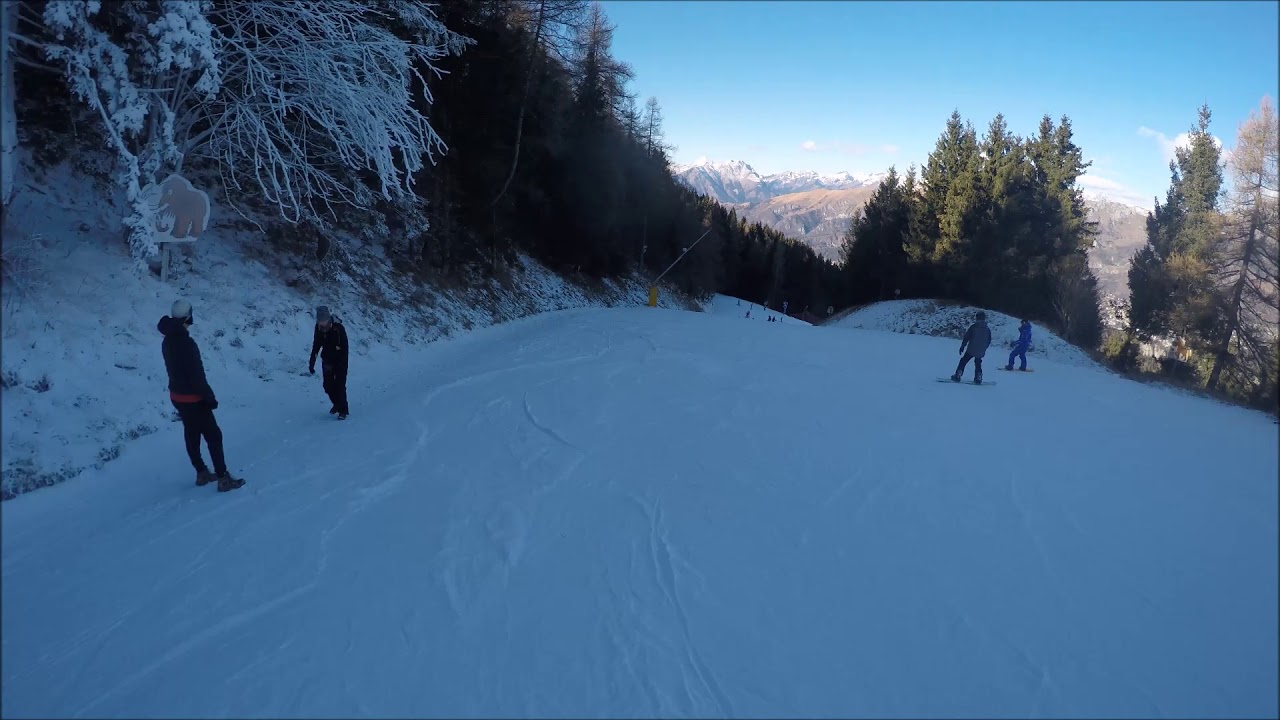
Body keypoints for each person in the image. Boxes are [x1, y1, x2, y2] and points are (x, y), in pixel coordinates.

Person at [158, 299, 244, 492]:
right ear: (188, 317)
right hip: (193, 398)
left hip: (177, 396)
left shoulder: (168, 339)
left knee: (191, 432)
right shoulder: (186, 343)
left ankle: (201, 473)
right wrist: (209, 397)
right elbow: (197, 375)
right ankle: (223, 478)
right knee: (214, 435)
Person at [309, 305, 350, 419]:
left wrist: (342, 363)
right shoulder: (318, 329)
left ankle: (343, 410)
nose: (322, 324)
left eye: (324, 321)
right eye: (319, 321)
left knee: (340, 386)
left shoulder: (338, 328)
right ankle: (337, 404)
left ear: (328, 319)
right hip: (327, 360)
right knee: (327, 386)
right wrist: (312, 362)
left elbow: (345, 348)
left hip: (340, 360)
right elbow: (316, 345)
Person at [951, 310, 992, 384]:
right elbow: (989, 340)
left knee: (963, 361)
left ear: (977, 318)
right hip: (981, 350)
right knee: (978, 362)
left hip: (971, 349)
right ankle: (978, 377)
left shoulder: (974, 327)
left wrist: (962, 346)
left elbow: (967, 337)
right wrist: (984, 348)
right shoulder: (987, 329)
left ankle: (958, 374)